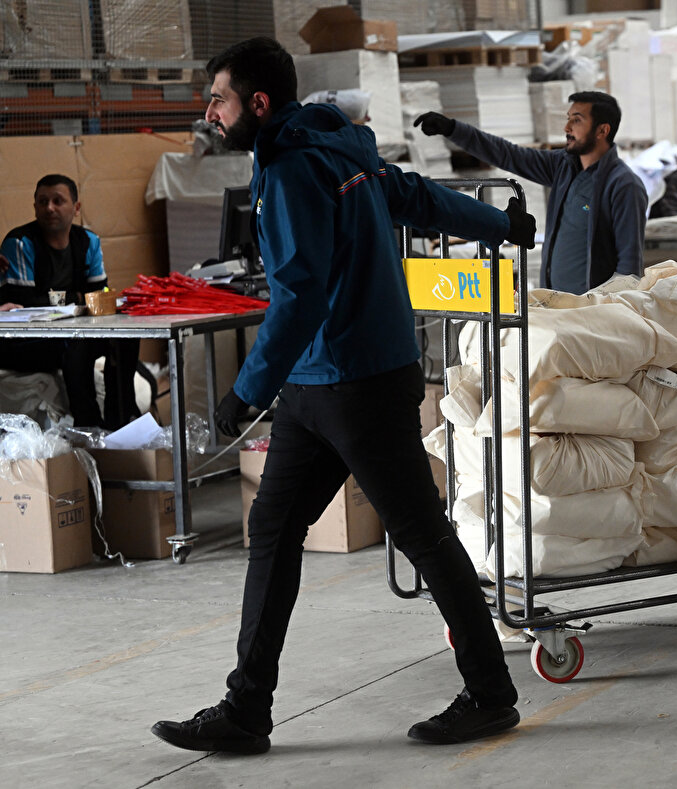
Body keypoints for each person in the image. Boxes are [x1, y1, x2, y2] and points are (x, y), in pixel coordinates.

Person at [151, 37, 534, 755]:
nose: (210, 113)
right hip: (321, 384)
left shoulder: (293, 167)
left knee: (420, 531)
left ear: (258, 103)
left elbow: (299, 294)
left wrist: (245, 390)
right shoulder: (335, 146)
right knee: (274, 529)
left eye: (219, 100)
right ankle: (246, 709)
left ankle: (490, 694)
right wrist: (500, 223)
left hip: (354, 381)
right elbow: (413, 195)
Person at [413, 91, 647, 295]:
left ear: (602, 130)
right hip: (556, 304)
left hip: (592, 314)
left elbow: (629, 267)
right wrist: (453, 130)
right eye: (568, 119)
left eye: (577, 120)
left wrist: (612, 314)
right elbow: (508, 154)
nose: (567, 128)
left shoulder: (623, 185)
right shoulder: (563, 166)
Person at [0, 174, 139, 428]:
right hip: (23, 341)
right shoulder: (19, 242)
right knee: (76, 342)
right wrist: (76, 297)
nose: (49, 208)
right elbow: (22, 303)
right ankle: (88, 424)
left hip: (69, 333)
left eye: (57, 201)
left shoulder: (88, 241)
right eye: (42, 202)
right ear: (34, 207)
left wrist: (78, 299)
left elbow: (98, 296)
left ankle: (122, 418)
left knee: (125, 337)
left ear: (76, 208)